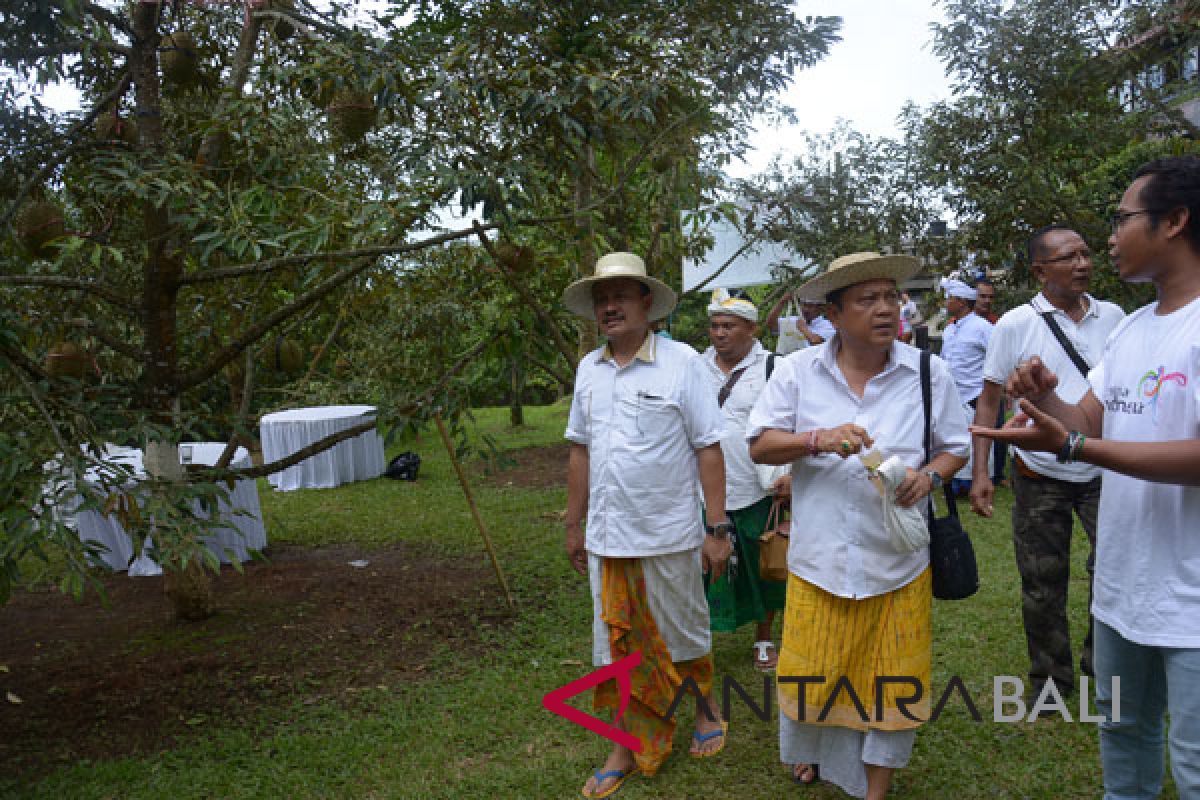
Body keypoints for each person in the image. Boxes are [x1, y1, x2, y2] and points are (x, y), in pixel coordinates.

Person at [972, 156, 1200, 799]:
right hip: (1126, 593)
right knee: (1123, 745)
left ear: (1175, 221)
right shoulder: (1132, 330)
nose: (1106, 241)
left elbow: (1090, 443)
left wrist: (1075, 444)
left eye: (1121, 219)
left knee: (1193, 764)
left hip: (1191, 604)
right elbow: (1089, 421)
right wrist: (1045, 401)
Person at [747, 252, 969, 800]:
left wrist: (928, 478)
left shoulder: (927, 372)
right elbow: (760, 442)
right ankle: (818, 756)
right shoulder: (799, 371)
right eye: (868, 299)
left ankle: (876, 786)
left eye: (891, 297)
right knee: (817, 674)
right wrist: (817, 439)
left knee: (892, 679)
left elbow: (955, 449)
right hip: (820, 561)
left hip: (898, 563)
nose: (886, 308)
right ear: (834, 313)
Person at [562, 252, 733, 799]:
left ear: (645, 304)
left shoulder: (683, 363)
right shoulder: (589, 368)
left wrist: (717, 527)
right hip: (608, 536)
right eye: (600, 299)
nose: (609, 307)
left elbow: (709, 448)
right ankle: (624, 744)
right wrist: (573, 523)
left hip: (669, 531)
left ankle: (705, 710)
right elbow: (580, 452)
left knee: (681, 629)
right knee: (614, 643)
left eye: (620, 296)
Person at [968, 225, 1125, 702]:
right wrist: (980, 473)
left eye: (1085, 253)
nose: (1082, 264)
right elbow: (988, 400)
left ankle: (1104, 662)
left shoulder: (1115, 317)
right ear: (1040, 270)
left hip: (1104, 470)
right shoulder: (1015, 324)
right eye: (1067, 257)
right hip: (1040, 473)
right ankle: (1050, 681)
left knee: (1113, 571)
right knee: (1041, 581)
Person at [699, 288, 789, 672]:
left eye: (729, 326)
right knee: (701, 569)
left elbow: (793, 423)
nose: (720, 333)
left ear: (751, 328)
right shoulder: (693, 366)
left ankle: (764, 639)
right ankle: (696, 641)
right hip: (702, 491)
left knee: (763, 565)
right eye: (715, 325)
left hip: (757, 488)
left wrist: (789, 474)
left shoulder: (775, 367)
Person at [938, 277, 994, 494]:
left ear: (961, 302)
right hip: (953, 392)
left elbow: (996, 356)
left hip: (974, 393)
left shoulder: (982, 328)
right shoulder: (949, 329)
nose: (947, 303)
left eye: (950, 299)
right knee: (955, 437)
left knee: (975, 438)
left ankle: (975, 480)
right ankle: (954, 480)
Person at [973, 278, 1009, 487]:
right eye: (982, 296)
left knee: (999, 428)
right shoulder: (956, 324)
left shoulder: (997, 324)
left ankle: (998, 473)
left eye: (990, 297)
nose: (987, 301)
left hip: (993, 387)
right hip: (970, 389)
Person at [766, 289, 836, 354]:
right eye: (804, 305)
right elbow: (770, 324)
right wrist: (782, 302)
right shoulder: (792, 321)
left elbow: (817, 343)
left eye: (810, 306)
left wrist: (804, 329)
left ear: (820, 309)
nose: (805, 309)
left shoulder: (828, 326)